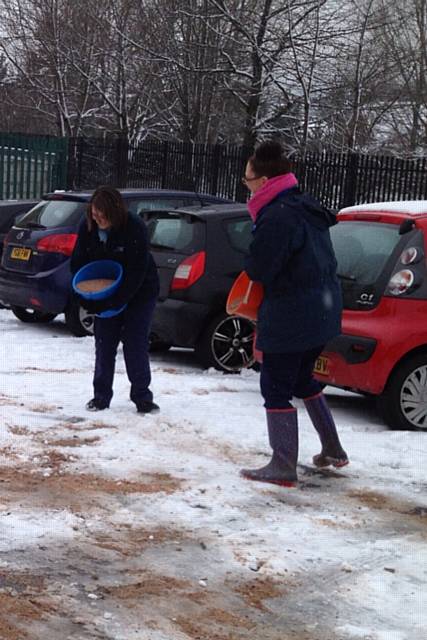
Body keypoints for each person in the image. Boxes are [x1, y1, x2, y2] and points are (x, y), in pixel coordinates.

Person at [240, 140, 348, 487]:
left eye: (247, 180)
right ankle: (332, 448)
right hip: (323, 310)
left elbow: (261, 268)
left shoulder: (278, 216)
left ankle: (283, 464)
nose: (246, 187)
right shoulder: (304, 206)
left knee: (274, 385)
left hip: (293, 312)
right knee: (302, 379)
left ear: (263, 181)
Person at [71, 186, 160, 414]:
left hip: (139, 291)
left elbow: (136, 273)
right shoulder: (87, 226)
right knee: (104, 343)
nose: (98, 218)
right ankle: (100, 396)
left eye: (103, 215)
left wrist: (115, 301)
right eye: (95, 213)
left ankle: (142, 396)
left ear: (115, 212)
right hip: (105, 287)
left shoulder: (134, 228)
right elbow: (78, 262)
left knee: (135, 343)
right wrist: (86, 297)